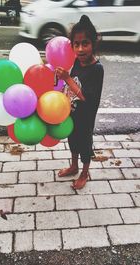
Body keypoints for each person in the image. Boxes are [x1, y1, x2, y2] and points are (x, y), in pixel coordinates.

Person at [56, 15, 104, 190]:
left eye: (85, 43)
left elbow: (85, 97)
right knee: (72, 141)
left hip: (85, 116)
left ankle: (84, 173)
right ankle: (74, 166)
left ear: (93, 44)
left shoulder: (97, 69)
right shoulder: (76, 61)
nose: (81, 49)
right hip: (72, 112)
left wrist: (67, 78)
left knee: (84, 145)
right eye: (76, 44)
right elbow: (71, 84)